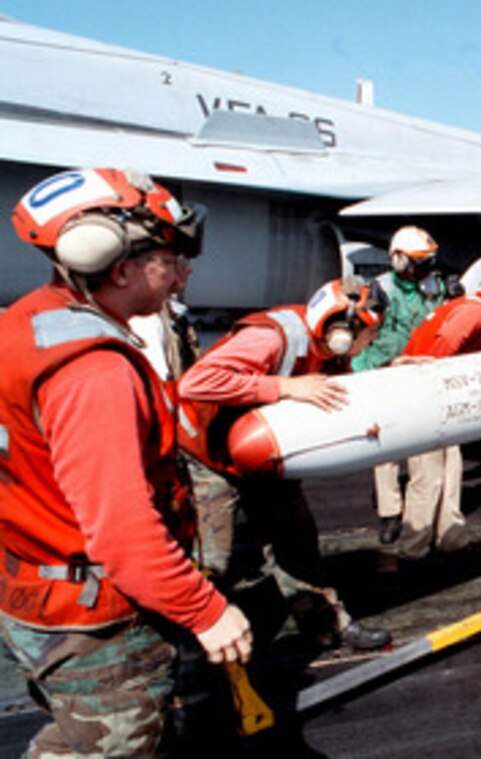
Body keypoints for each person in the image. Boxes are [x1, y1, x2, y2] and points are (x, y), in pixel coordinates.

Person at [0, 167, 251, 756]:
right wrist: (207, 610)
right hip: (95, 625)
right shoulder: (94, 372)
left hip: (34, 593)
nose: (186, 270)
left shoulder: (27, 325)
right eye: (172, 256)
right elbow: (121, 532)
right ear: (120, 267)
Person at [177, 276, 393, 651]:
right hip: (208, 456)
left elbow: (338, 388)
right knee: (216, 559)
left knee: (298, 541)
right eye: (368, 334)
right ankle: (201, 647)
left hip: (264, 453)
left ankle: (327, 623)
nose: (369, 342)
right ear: (342, 328)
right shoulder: (273, 337)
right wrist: (284, 387)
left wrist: (395, 371)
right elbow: (196, 383)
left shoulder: (330, 347)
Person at [394, 270, 481, 559]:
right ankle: (412, 549)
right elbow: (443, 346)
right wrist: (436, 381)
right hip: (424, 398)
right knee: (428, 477)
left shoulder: (479, 314)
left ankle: (451, 536)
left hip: (440, 401)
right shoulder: (476, 312)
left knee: (451, 468)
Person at [351, 225, 449, 545]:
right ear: (400, 261)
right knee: (387, 446)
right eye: (420, 262)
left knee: (423, 447)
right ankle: (389, 512)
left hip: (419, 370)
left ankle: (418, 516)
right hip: (383, 369)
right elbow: (360, 339)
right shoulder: (379, 292)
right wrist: (384, 364)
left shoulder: (431, 286)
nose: (426, 269)